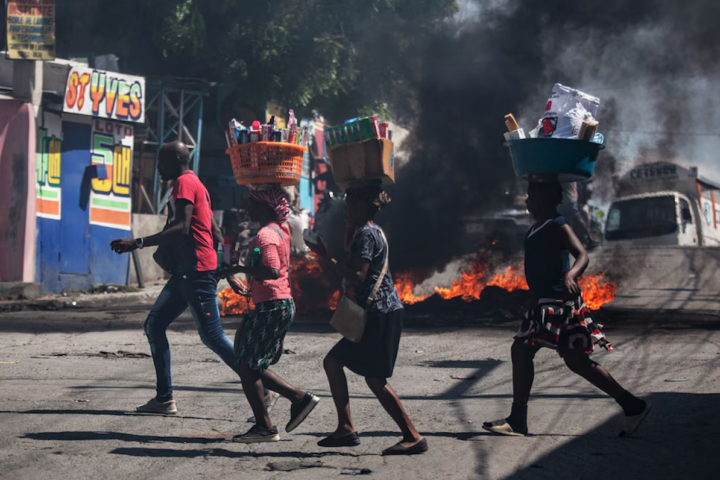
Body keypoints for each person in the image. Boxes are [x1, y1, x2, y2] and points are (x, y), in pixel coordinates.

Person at [483, 180, 651, 438]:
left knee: (527, 350)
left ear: (543, 200)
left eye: (530, 196)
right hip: (544, 302)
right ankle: (632, 406)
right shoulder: (536, 227)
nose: (526, 201)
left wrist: (571, 275)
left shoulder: (557, 224)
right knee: (571, 360)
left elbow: (582, 254)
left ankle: (518, 420)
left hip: (558, 302)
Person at [110, 141, 244, 415]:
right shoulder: (197, 184)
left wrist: (137, 242)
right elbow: (216, 233)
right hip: (188, 272)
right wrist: (227, 270)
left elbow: (183, 227)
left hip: (195, 272)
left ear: (174, 160)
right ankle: (164, 399)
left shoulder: (184, 183)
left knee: (214, 338)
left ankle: (266, 390)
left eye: (161, 161)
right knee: (154, 325)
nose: (158, 166)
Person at [308, 185, 427, 456]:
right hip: (381, 312)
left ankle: (412, 435)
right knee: (335, 362)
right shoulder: (370, 231)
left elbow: (356, 276)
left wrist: (324, 257)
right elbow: (352, 250)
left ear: (363, 207)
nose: (346, 209)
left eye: (350, 204)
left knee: (374, 379)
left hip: (380, 314)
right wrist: (345, 230)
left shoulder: (367, 234)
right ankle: (346, 428)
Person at [219, 185, 320, 443]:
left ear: (266, 207)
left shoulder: (266, 234)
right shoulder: (279, 230)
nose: (247, 208)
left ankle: (293, 401)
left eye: (252, 204)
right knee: (247, 362)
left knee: (248, 365)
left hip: (273, 306)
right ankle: (271, 419)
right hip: (272, 303)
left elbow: (273, 271)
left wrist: (241, 267)